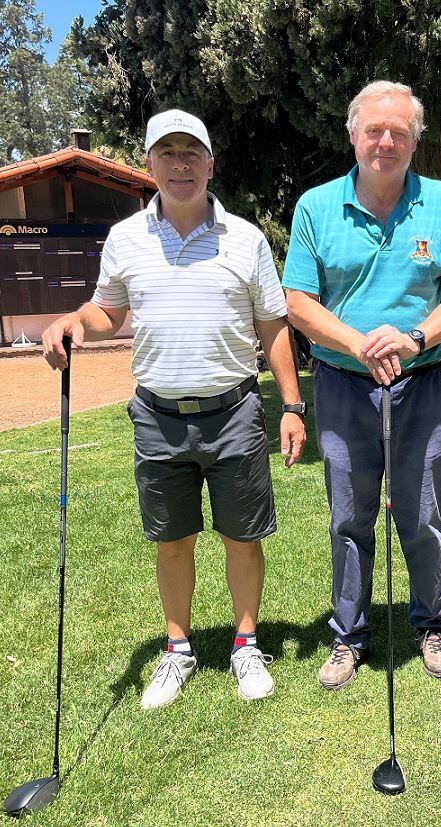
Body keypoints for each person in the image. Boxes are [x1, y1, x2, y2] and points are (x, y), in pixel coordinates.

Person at [42, 109, 307, 708]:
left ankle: (245, 644)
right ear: (150, 165)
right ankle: (178, 650)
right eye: (168, 153)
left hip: (235, 410)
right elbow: (106, 311)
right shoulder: (127, 239)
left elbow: (273, 326)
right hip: (158, 414)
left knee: (243, 536)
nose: (181, 164)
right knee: (172, 540)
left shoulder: (246, 238)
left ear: (211, 164)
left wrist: (292, 406)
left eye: (192, 153)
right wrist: (72, 321)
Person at [282, 81, 441, 689]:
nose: (386, 141)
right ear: (353, 136)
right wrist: (358, 344)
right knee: (349, 514)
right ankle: (349, 634)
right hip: (344, 385)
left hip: (420, 383)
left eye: (399, 131)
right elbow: (297, 301)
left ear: (416, 139)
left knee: (423, 512)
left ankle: (431, 623)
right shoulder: (315, 206)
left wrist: (414, 339)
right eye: (374, 130)